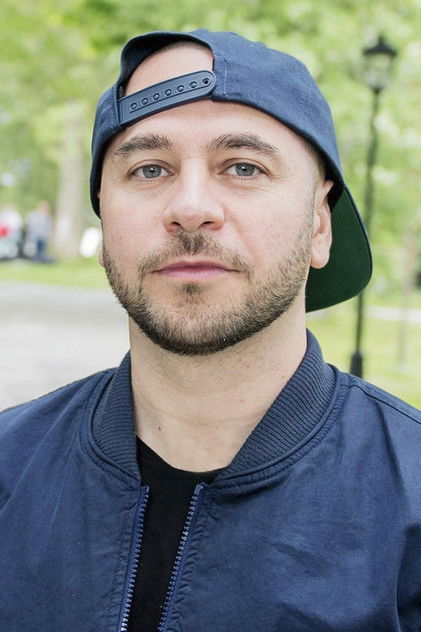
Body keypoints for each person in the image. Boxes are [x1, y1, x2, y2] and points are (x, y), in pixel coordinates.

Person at [0, 30, 420, 632]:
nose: (190, 207)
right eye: (149, 169)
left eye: (244, 167)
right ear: (105, 219)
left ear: (320, 224)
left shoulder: (410, 507)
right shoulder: (9, 470)